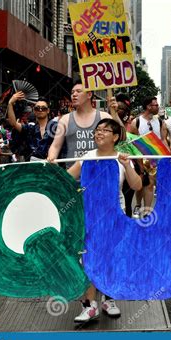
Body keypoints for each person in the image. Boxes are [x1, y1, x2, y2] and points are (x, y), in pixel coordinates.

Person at [68, 117, 142, 323]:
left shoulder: (122, 158)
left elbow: (136, 186)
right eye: (97, 130)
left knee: (111, 258)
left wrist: (127, 166)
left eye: (105, 130)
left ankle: (109, 300)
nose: (99, 133)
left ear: (116, 137)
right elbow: (67, 178)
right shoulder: (87, 157)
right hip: (89, 216)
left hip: (114, 216)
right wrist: (50, 168)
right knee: (89, 258)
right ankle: (89, 305)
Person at [47, 81, 117, 167]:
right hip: (72, 176)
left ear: (89, 95)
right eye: (72, 92)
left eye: (78, 91)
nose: (74, 95)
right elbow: (55, 146)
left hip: (99, 173)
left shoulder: (104, 117)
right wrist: (51, 158)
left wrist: (115, 113)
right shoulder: (65, 119)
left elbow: (120, 139)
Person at [130, 96, 168, 217]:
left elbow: (163, 140)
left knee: (151, 183)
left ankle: (147, 211)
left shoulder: (161, 122)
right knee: (140, 184)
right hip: (140, 158)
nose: (158, 107)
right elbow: (133, 142)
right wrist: (137, 161)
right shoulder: (136, 122)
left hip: (155, 158)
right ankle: (138, 205)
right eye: (156, 105)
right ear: (148, 107)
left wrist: (167, 155)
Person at [7, 92, 56, 161]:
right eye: (37, 108)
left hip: (52, 167)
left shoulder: (56, 127)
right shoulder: (29, 128)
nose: (40, 110)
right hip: (32, 168)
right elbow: (13, 123)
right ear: (34, 111)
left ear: (48, 111)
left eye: (43, 108)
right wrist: (10, 104)